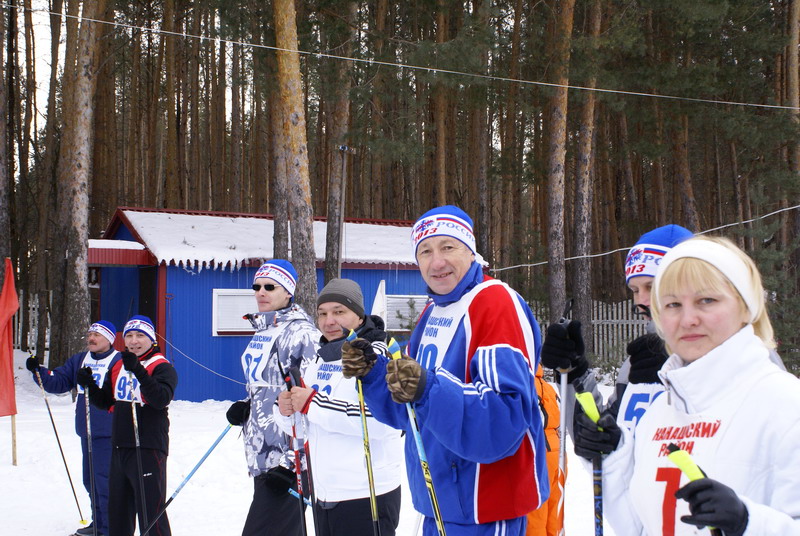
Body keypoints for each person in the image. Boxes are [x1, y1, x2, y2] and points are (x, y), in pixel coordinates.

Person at [341, 205, 550, 536]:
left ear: (470, 250)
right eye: (425, 251)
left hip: (485, 509)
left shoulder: (494, 304)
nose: (436, 262)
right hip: (439, 504)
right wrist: (375, 374)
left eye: (447, 247)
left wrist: (427, 389)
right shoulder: (432, 313)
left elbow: (504, 419)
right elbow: (410, 412)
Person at [576, 236, 800, 535]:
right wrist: (612, 457)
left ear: (746, 307)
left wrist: (748, 523)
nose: (688, 319)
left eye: (706, 300)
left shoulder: (786, 405)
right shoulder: (659, 414)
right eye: (672, 304)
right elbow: (640, 527)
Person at [541, 224, 693, 443]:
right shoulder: (639, 360)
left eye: (651, 286)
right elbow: (601, 444)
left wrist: (677, 380)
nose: (641, 301)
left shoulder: (736, 359)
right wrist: (575, 375)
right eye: (635, 290)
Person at [275, 278, 404, 536]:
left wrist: (312, 403)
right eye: (322, 313)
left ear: (358, 315)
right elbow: (302, 430)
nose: (328, 321)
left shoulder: (376, 354)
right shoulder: (322, 356)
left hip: (366, 494)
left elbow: (384, 423)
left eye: (339, 312)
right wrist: (285, 410)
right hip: (325, 493)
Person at [225, 259, 319, 536]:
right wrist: (248, 406)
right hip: (262, 452)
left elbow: (313, 399)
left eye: (270, 287)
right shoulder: (264, 331)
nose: (261, 292)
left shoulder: (303, 333)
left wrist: (292, 463)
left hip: (287, 460)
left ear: (288, 292)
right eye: (257, 286)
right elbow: (267, 386)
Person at [77, 315, 178, 536]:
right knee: (118, 512)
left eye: (140, 335)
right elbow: (107, 401)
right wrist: (90, 386)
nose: (133, 341)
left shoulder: (161, 366)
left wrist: (139, 371)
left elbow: (161, 398)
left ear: (151, 339)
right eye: (130, 336)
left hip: (148, 447)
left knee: (150, 510)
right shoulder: (120, 365)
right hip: (120, 445)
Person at [26, 321, 121, 536]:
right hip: (86, 431)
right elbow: (58, 382)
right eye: (90, 334)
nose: (91, 338)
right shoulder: (80, 359)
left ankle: (109, 529)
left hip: (109, 432)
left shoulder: (118, 361)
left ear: (109, 339)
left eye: (97, 334)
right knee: (91, 481)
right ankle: (98, 523)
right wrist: (38, 371)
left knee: (105, 482)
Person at [525, 364, 564, 536]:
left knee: (535, 513)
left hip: (537, 451)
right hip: (556, 451)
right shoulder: (548, 388)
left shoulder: (524, 386)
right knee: (553, 508)